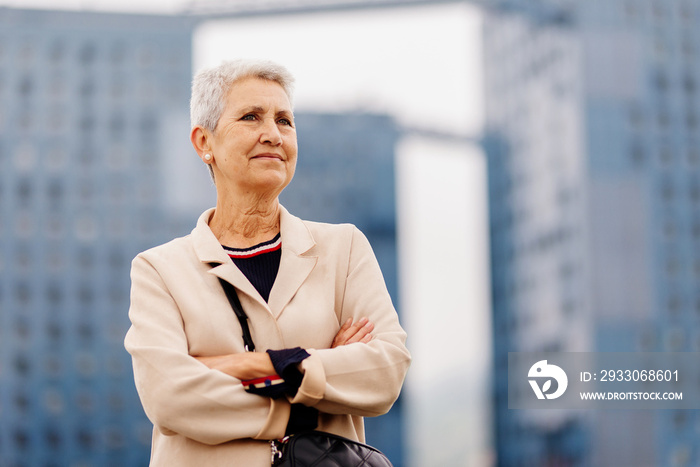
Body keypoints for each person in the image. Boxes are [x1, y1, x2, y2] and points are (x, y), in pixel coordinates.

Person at [124, 59, 411, 466]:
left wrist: (252, 365)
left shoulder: (343, 248)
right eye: (251, 117)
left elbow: (385, 372)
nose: (273, 135)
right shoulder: (160, 270)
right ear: (204, 142)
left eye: (285, 121)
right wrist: (318, 382)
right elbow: (171, 397)